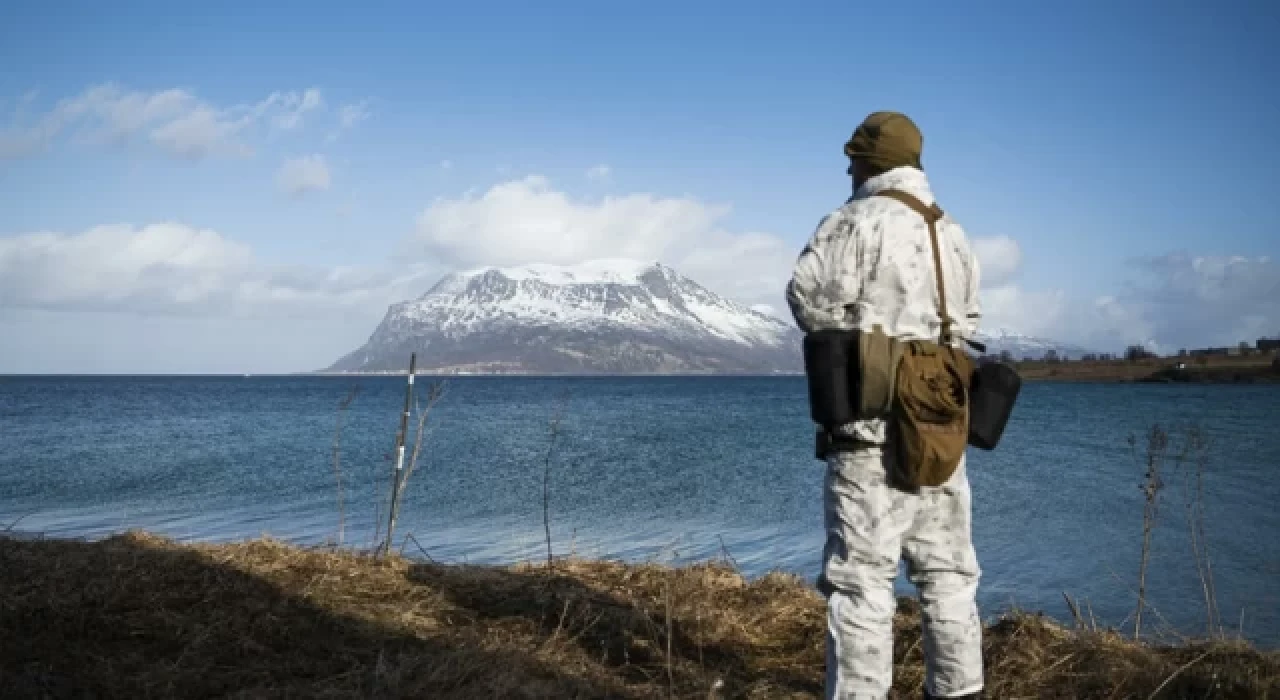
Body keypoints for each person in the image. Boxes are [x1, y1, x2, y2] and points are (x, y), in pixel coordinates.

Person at [786, 111, 985, 700]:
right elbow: (968, 324)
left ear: (868, 163)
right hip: (941, 433)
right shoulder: (953, 233)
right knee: (950, 578)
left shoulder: (853, 222)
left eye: (853, 159)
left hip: (869, 436)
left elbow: (808, 300)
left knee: (861, 586)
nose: (848, 168)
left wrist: (868, 326)